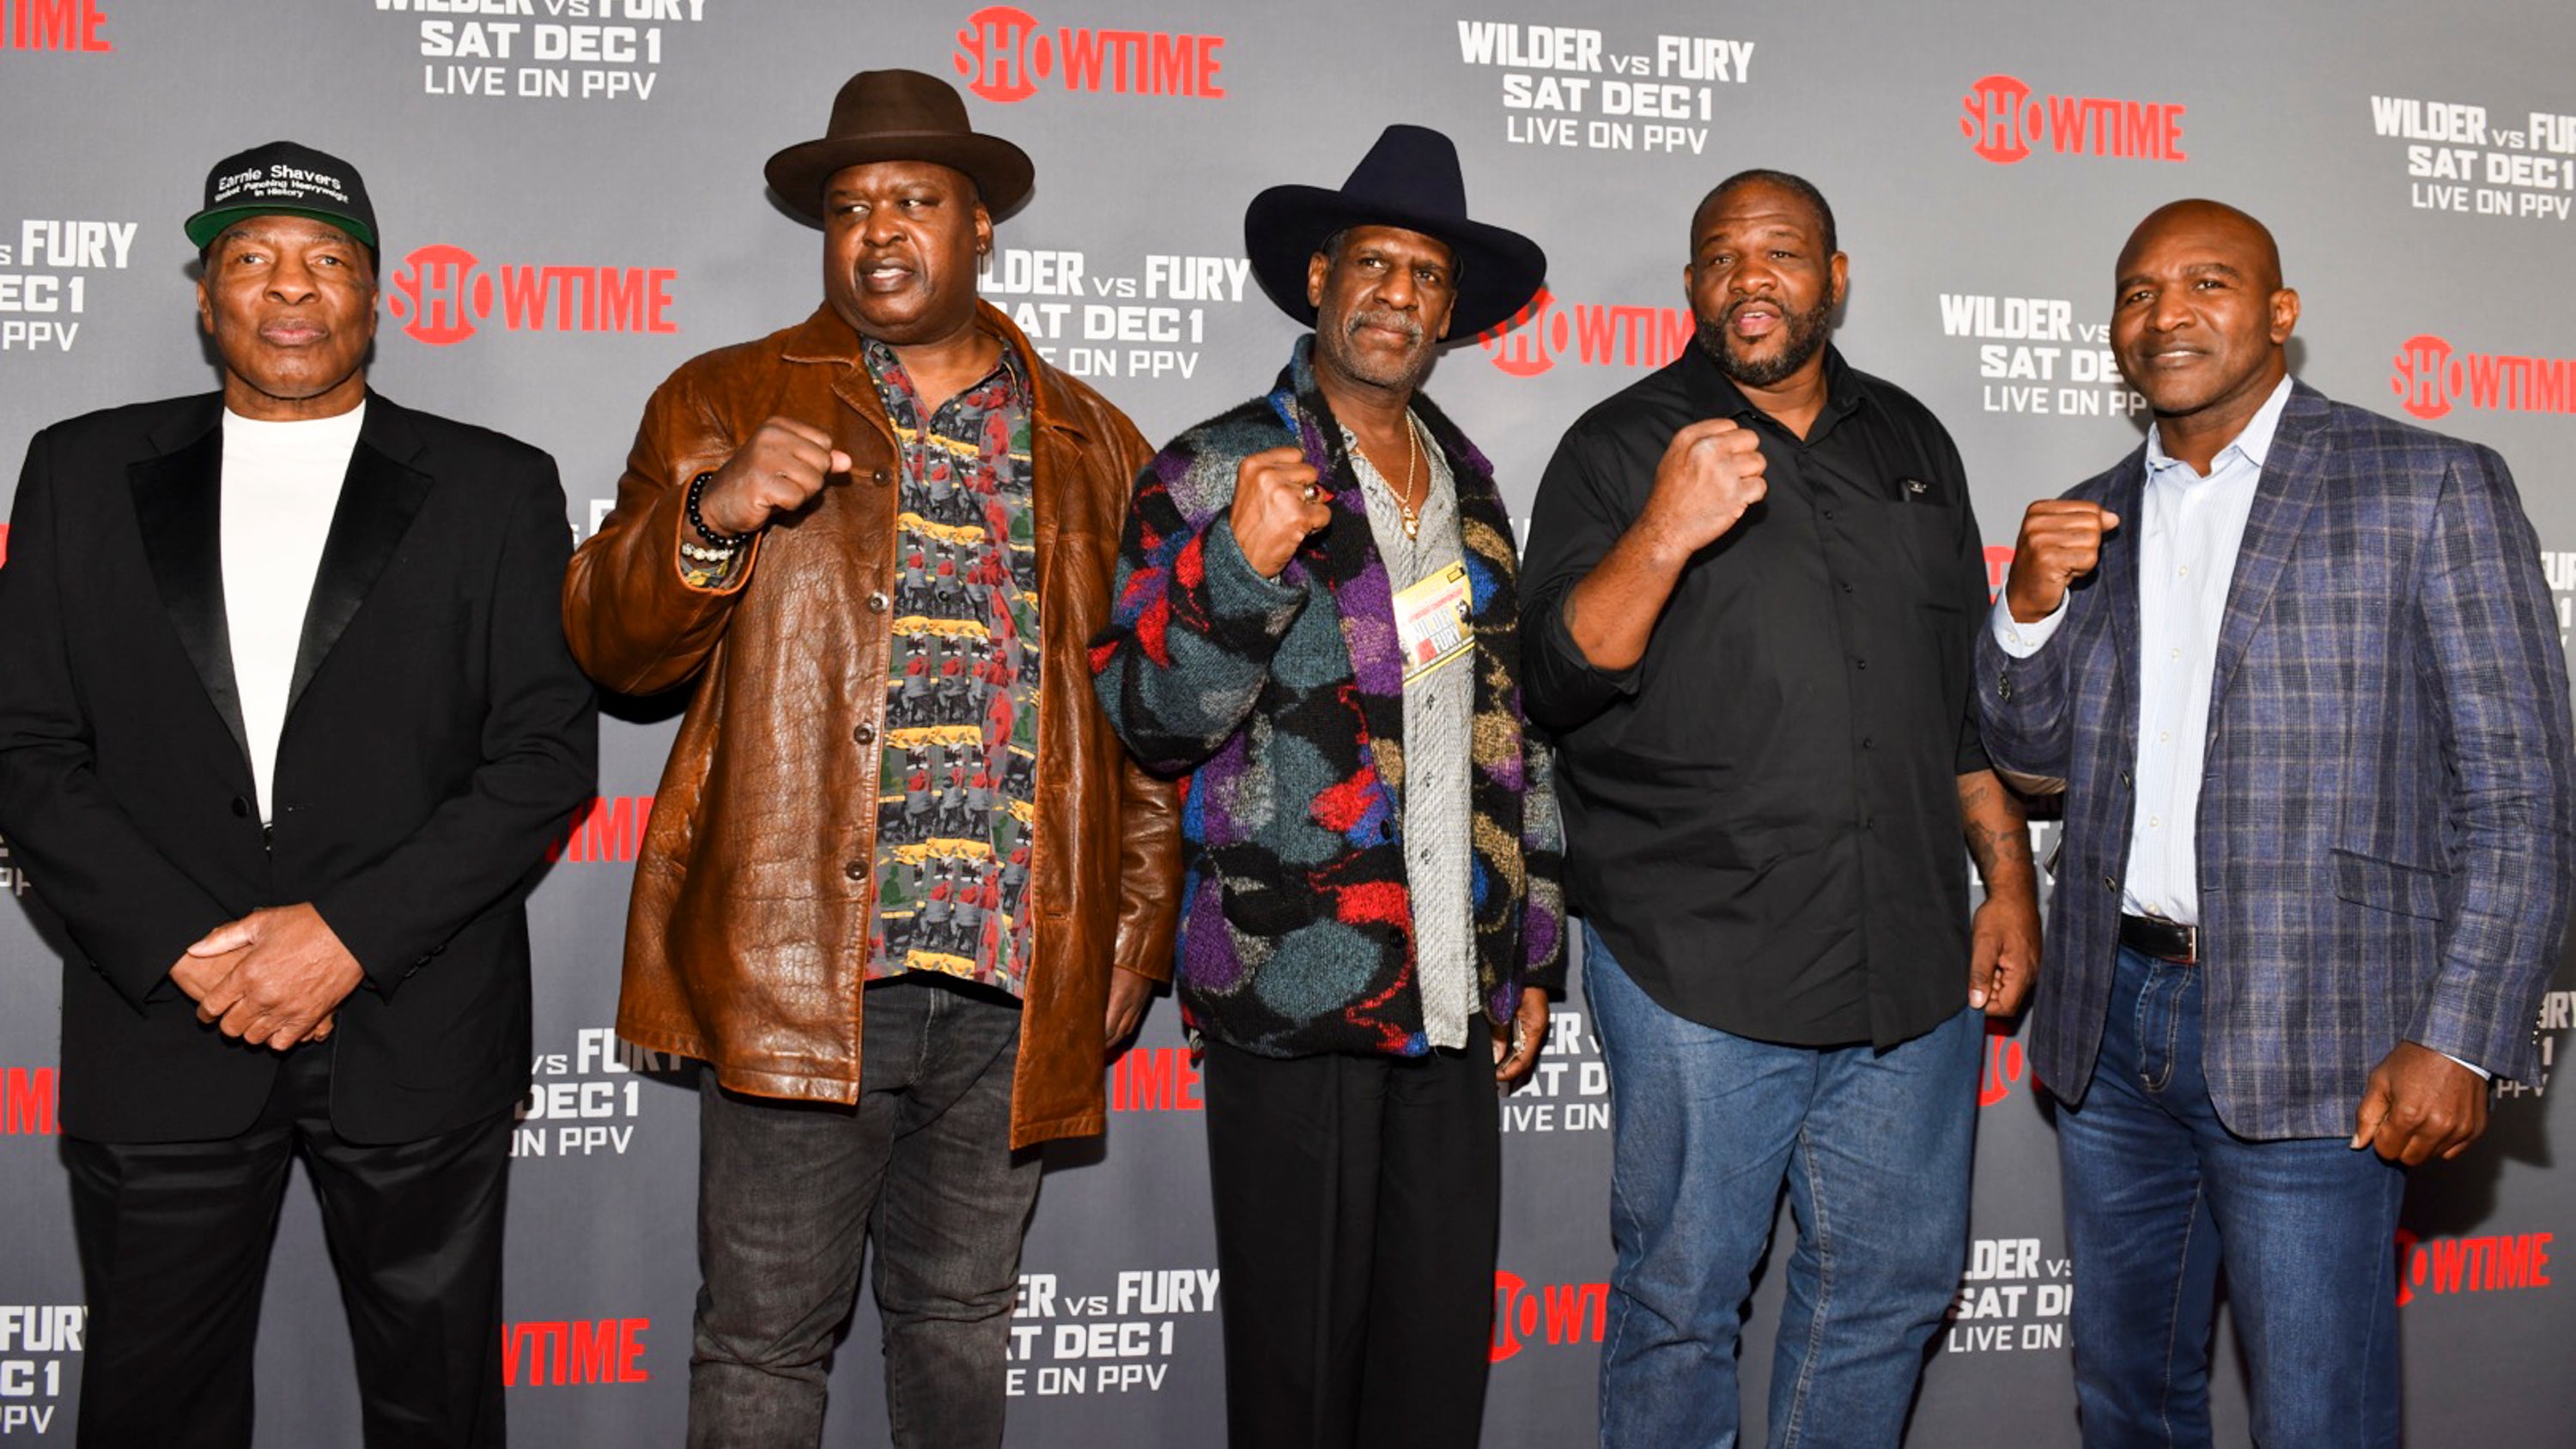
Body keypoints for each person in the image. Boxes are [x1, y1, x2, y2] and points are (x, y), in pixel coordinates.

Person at [559, 69, 1179, 1449]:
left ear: (980, 229)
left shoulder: (1090, 438)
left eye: (915, 200)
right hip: (798, 964)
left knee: (962, 1331)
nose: (879, 231)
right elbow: (612, 643)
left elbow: (1140, 715)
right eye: (850, 208)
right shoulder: (723, 396)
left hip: (1017, 975)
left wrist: (1130, 937)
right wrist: (714, 511)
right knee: (766, 1343)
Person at [0, 141, 598, 1447]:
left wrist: (343, 940)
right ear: (205, 297)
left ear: (374, 297)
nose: (291, 288)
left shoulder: (497, 487)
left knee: (437, 1412)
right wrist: (191, 951)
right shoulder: (77, 473)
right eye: (253, 260)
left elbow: (545, 757)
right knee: (151, 1412)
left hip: (417, 1032)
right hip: (162, 1030)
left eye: (326, 260)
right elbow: (26, 748)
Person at [1982, 198, 2576, 1446]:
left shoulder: (2429, 484)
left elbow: (2522, 795)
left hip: (2331, 1032)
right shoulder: (2092, 517)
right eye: (2139, 291)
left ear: (2281, 315)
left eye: (2209, 282)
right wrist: (2027, 609)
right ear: (2113, 331)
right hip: (2115, 1022)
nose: (2169, 312)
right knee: (2125, 1402)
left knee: (2317, 1417)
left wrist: (2461, 1037)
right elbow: (2031, 757)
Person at [1518, 168, 2041, 1447]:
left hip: (1907, 970)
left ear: (1835, 277)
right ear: (1695, 285)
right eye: (1721, 257)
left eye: (1781, 253)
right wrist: (1664, 530)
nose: (1750, 279)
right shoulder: (1617, 445)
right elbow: (1552, 678)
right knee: (1680, 1306)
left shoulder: (1915, 442)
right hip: (1701, 963)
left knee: (1889, 1293)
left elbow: (1955, 703)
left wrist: (2011, 883)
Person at [1091, 124, 1564, 1449]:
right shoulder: (1209, 466)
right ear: (1318, 280)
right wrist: (1237, 564)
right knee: (1296, 1380)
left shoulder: (1472, 489)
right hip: (1289, 987)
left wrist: (1530, 949)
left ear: (1449, 311)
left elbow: (1505, 731)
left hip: (1452, 994)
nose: (1396, 294)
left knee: (1431, 1377)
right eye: (1373, 263)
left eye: (1424, 274)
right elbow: (1148, 720)